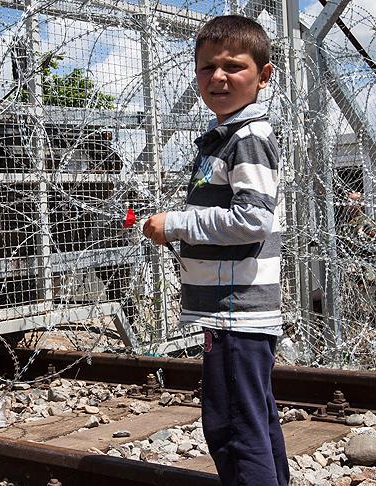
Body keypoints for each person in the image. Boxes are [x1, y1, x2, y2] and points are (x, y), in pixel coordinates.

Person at [141, 15, 288, 486]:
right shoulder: (224, 137)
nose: (218, 77)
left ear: (263, 76)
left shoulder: (248, 138)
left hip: (237, 312)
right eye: (207, 67)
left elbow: (253, 220)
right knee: (254, 423)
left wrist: (176, 225)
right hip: (230, 313)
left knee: (232, 430)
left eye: (233, 66)